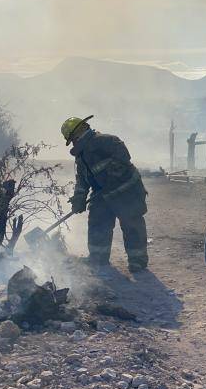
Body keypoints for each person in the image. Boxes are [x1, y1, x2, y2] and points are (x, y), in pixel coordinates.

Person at [60, 115, 149, 273]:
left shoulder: (106, 141)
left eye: (73, 138)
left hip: (127, 191)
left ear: (81, 131)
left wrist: (112, 175)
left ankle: (137, 261)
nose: (74, 142)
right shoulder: (81, 159)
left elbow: (123, 157)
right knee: (97, 222)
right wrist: (79, 199)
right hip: (103, 194)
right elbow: (82, 181)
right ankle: (98, 258)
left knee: (132, 224)